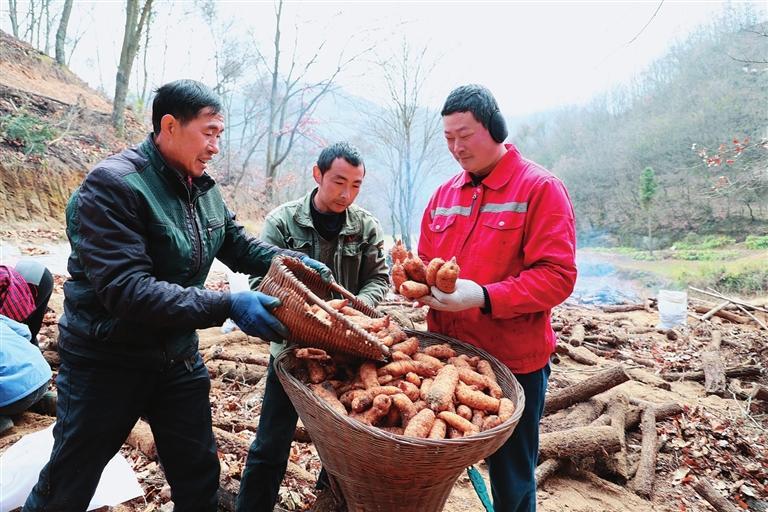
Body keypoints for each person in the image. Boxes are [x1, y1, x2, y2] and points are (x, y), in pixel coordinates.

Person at [23, 79, 331, 512]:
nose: (215, 147)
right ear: (169, 125)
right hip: (108, 360)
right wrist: (228, 305)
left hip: (176, 358)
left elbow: (238, 245)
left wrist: (291, 261)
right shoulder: (113, 186)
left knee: (198, 476)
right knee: (70, 482)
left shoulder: (200, 186)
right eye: (209, 132)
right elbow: (128, 291)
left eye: (219, 135)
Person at [419, 84, 577, 512]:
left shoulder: (540, 189)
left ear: (494, 128)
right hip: (448, 359)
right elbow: (425, 261)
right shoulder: (444, 195)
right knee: (428, 464)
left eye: (465, 136)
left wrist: (484, 296)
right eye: (448, 137)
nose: (456, 147)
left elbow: (557, 277)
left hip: (513, 364)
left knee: (512, 475)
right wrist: (419, 285)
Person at [237, 142, 389, 512]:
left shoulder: (365, 227)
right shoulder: (282, 223)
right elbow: (260, 282)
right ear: (318, 174)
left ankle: (328, 502)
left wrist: (355, 311)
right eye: (339, 181)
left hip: (349, 355)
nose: (346, 193)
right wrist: (302, 315)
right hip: (291, 353)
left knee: (342, 447)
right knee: (271, 444)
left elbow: (379, 279)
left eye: (356, 185)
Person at [0, 261, 54, 434]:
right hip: (43, 377)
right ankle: (40, 398)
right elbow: (25, 333)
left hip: (13, 395)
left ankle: (2, 420)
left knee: (11, 385)